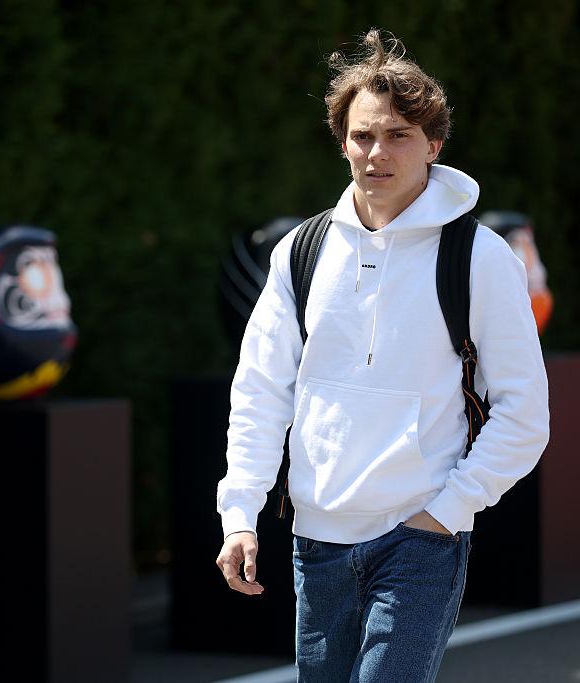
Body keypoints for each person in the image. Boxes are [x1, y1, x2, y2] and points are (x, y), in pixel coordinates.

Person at [214, 28, 550, 682]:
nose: (377, 152)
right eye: (363, 135)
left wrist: (447, 512)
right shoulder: (301, 252)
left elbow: (524, 413)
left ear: (433, 144)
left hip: (419, 542)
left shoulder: (479, 258)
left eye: (399, 135)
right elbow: (260, 389)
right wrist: (239, 513)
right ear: (342, 142)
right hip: (316, 541)